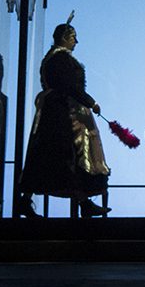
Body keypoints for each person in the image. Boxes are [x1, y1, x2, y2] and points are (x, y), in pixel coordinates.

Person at [14, 20, 110, 218]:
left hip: (56, 111)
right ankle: (83, 203)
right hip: (62, 114)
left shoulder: (52, 58)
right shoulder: (60, 59)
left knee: (50, 156)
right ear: (65, 38)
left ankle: (79, 202)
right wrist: (91, 102)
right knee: (67, 156)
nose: (76, 41)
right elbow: (70, 86)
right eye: (73, 37)